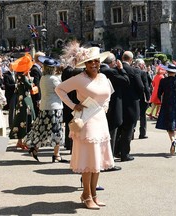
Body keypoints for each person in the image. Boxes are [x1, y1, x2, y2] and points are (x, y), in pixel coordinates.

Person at [55, 47, 114, 210]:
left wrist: (106, 105)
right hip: (86, 122)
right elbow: (59, 89)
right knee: (89, 161)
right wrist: (74, 105)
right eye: (90, 62)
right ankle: (86, 194)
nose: (94, 64)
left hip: (101, 120)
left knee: (98, 160)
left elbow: (108, 94)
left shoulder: (103, 77)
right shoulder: (79, 78)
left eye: (96, 61)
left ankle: (93, 194)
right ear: (85, 64)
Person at [25, 56, 68, 163]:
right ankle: (56, 154)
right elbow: (62, 90)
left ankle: (35, 148)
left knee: (42, 129)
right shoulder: (53, 79)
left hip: (45, 106)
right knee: (57, 130)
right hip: (54, 107)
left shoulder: (43, 78)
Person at [100, 52, 130, 171]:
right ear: (112, 63)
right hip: (112, 106)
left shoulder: (98, 71)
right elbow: (126, 80)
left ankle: (103, 160)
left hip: (100, 106)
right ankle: (108, 162)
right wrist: (121, 69)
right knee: (111, 135)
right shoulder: (111, 72)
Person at [115, 51, 144, 161]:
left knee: (118, 129)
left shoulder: (115, 70)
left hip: (118, 102)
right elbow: (140, 87)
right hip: (131, 104)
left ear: (122, 57)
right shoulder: (134, 71)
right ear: (131, 60)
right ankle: (124, 154)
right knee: (128, 130)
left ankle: (116, 151)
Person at [9, 53, 35, 150]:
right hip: (25, 100)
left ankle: (20, 141)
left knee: (20, 119)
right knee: (26, 120)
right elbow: (30, 86)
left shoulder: (18, 75)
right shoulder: (23, 77)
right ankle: (24, 141)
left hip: (21, 99)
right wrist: (29, 78)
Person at [133, 58, 151, 139]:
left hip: (132, 97)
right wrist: (148, 98)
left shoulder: (130, 71)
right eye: (143, 64)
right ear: (140, 65)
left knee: (134, 115)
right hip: (141, 97)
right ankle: (142, 133)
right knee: (142, 116)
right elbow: (146, 87)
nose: (144, 66)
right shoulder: (142, 73)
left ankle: (131, 132)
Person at [30, 51, 46, 117]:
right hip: (37, 98)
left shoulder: (38, 69)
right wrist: (38, 99)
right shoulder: (35, 70)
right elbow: (36, 85)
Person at [3, 62, 17, 129]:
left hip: (16, 94)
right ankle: (11, 125)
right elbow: (7, 85)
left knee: (16, 109)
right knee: (11, 109)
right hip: (10, 94)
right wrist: (15, 85)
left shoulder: (16, 74)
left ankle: (15, 123)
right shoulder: (6, 75)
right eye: (12, 66)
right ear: (9, 66)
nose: (13, 67)